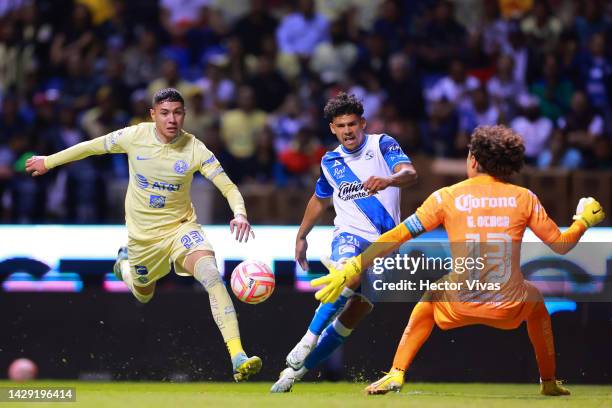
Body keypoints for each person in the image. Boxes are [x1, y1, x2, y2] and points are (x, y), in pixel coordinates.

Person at [311, 125, 605, 396]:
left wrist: (354, 265)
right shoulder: (524, 198)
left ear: (474, 160)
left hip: (458, 304)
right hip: (508, 307)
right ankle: (549, 382)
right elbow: (561, 245)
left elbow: (398, 235)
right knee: (536, 300)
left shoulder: (447, 197)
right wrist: (583, 221)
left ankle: (396, 372)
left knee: (429, 299)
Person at [25, 88, 262, 382]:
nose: (171, 119)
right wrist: (49, 161)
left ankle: (237, 354)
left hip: (181, 229)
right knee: (143, 293)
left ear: (184, 115)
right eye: (165, 113)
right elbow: (90, 147)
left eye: (177, 112)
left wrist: (239, 212)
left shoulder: (195, 148)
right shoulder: (135, 136)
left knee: (212, 276)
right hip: (143, 240)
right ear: (153, 115)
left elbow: (228, 186)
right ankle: (124, 265)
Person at [271, 92, 417, 392]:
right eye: (341, 126)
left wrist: (389, 179)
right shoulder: (330, 161)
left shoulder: (382, 144)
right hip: (349, 234)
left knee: (354, 312)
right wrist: (301, 235)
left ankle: (294, 374)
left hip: (387, 242)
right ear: (332, 129)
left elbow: (409, 173)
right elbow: (319, 200)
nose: (348, 131)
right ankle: (306, 340)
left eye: (353, 124)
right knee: (346, 274)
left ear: (362, 123)